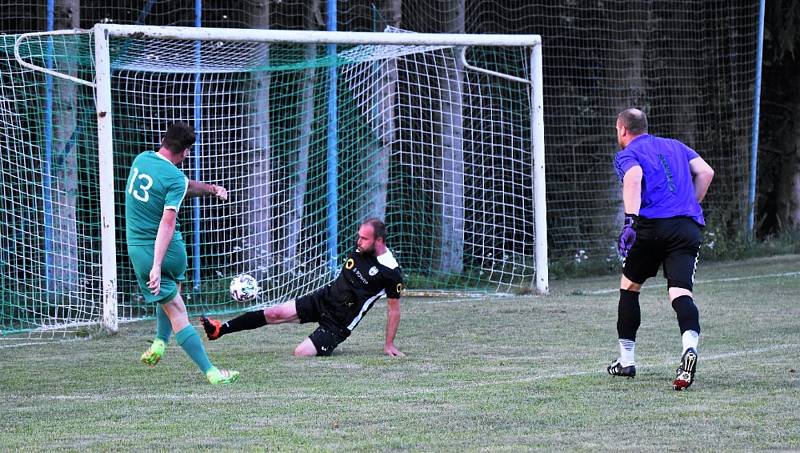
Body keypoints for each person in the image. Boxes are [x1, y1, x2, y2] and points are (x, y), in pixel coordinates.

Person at [607, 108, 714, 391]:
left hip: (652, 228)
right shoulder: (675, 145)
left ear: (622, 130)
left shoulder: (627, 153)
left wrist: (630, 221)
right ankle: (689, 348)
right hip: (686, 228)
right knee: (680, 292)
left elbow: (633, 176)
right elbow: (706, 171)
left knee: (629, 286)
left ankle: (626, 360)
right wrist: (691, 204)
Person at [127, 122, 239, 384]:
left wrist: (211, 189)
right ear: (186, 151)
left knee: (169, 298)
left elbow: (185, 186)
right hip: (162, 251)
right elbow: (167, 223)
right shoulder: (174, 177)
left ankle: (159, 342)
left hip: (137, 251)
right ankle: (212, 372)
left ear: (163, 140)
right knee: (177, 311)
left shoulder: (142, 160)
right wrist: (157, 264)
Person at [200, 218, 405, 358]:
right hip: (323, 299)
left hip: (338, 323)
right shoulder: (360, 249)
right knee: (275, 312)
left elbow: (393, 310)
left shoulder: (390, 272)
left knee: (300, 353)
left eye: (364, 238)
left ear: (378, 240)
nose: (358, 241)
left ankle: (325, 343)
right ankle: (220, 330)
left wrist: (388, 344)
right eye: (358, 236)